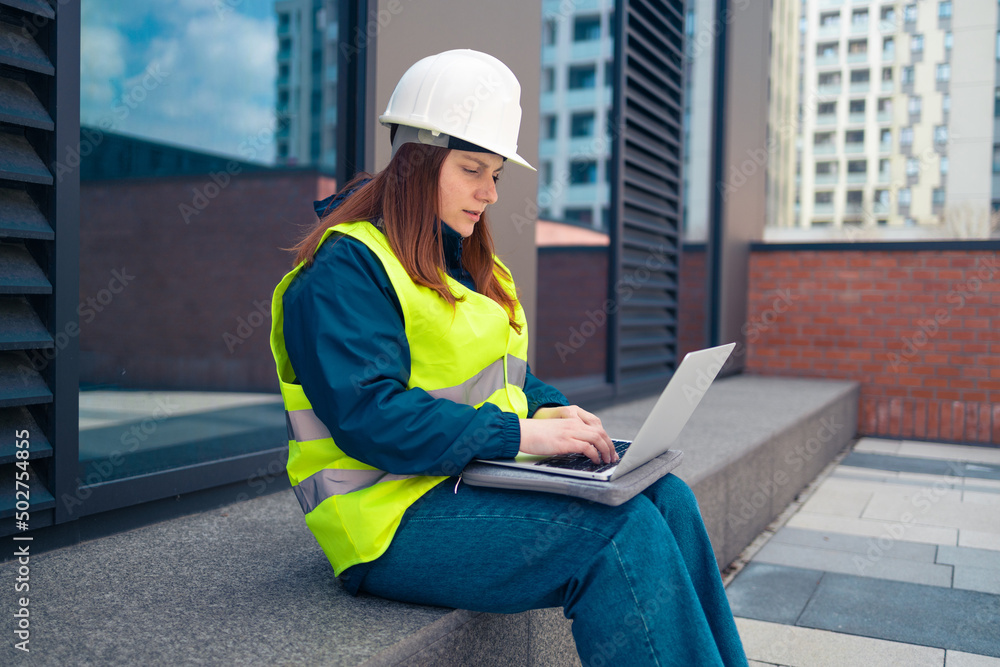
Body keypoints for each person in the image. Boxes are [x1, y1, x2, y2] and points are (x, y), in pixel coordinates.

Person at [270, 49, 748, 666]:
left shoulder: (469, 263)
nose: (490, 193)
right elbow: (369, 416)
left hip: (468, 479)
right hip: (385, 519)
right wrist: (520, 434)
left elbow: (505, 375)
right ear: (416, 159)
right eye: (473, 169)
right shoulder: (345, 269)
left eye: (496, 174)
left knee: (666, 497)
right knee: (618, 537)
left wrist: (554, 413)